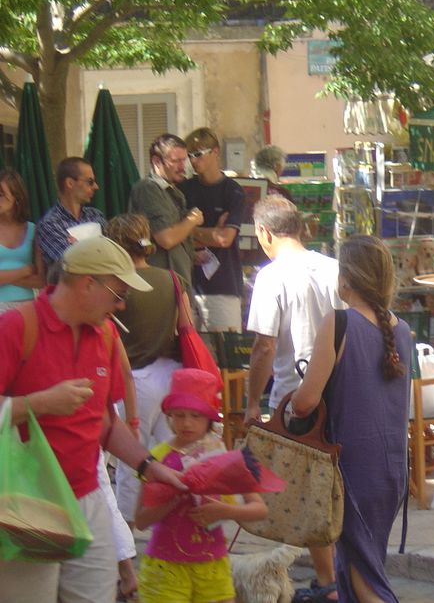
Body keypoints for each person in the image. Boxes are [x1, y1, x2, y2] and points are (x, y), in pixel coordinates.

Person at [0, 236, 186, 602]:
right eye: (118, 293)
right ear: (87, 284)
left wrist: (149, 466)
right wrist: (37, 403)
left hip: (88, 496)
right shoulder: (17, 327)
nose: (120, 305)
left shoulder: (103, 333)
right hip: (27, 500)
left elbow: (102, 421)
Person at [291, 235, 413, 603]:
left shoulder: (339, 322)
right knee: (363, 567)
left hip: (352, 469)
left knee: (366, 581)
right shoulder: (402, 330)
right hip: (391, 470)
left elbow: (304, 403)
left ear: (347, 278)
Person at [245, 195, 343, 602]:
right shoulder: (334, 267)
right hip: (339, 390)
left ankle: (327, 583)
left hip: (295, 396)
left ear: (264, 233)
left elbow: (264, 346)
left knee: (310, 492)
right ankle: (338, 577)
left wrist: (252, 403)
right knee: (335, 486)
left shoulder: (272, 276)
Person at [135, 368, 268, 603]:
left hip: (212, 566)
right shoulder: (156, 459)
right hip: (166, 567)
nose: (186, 423)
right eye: (179, 414)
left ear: (209, 418)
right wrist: (173, 497)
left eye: (196, 416)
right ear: (169, 416)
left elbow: (260, 509)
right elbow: (141, 520)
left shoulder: (222, 457)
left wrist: (227, 511)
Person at [105, 213, 184, 524]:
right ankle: (169, 518)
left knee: (130, 462)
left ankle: (129, 528)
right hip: (171, 374)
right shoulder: (172, 279)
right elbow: (186, 326)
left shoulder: (117, 285)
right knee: (169, 453)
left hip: (133, 379)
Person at [181, 128, 247, 348]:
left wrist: (190, 230)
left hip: (223, 286)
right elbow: (173, 236)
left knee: (226, 359)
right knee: (193, 358)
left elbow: (225, 239)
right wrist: (207, 233)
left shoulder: (232, 190)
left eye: (198, 153)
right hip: (188, 286)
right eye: (189, 155)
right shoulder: (183, 190)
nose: (193, 160)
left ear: (216, 152)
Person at [129, 133, 203, 293]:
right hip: (160, 288)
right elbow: (166, 239)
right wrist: (192, 219)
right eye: (176, 161)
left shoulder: (173, 192)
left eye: (184, 160)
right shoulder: (148, 189)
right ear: (156, 161)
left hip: (178, 284)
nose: (182, 166)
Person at [36, 157, 107, 270]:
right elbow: (74, 263)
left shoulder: (96, 216)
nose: (96, 187)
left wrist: (79, 246)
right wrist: (98, 248)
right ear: (70, 183)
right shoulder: (49, 224)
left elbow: (113, 255)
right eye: (90, 182)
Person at [0, 169, 44, 312]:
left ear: (16, 197)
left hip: (28, 307)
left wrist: (5, 277)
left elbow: (41, 280)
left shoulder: (33, 230)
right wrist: (26, 270)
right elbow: (33, 272)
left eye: (1, 194)